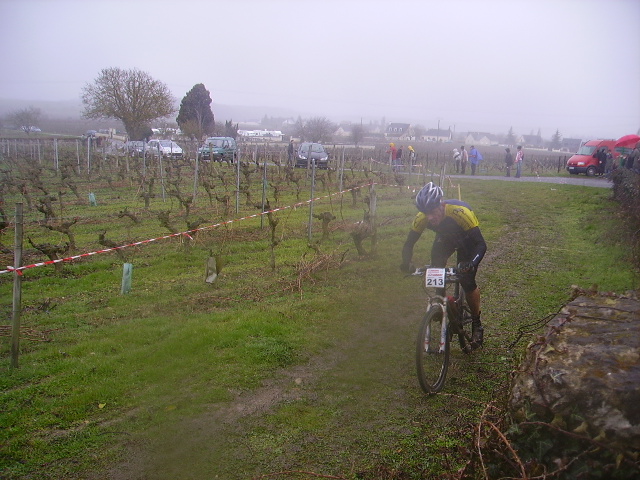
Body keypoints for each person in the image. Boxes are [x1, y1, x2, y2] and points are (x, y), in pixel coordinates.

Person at [400, 182, 487, 347]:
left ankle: (477, 322)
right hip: (445, 239)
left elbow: (481, 244)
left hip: (467, 239)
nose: (430, 218)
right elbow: (409, 244)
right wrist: (406, 263)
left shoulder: (460, 212)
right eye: (426, 213)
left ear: (442, 205)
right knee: (436, 269)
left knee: (467, 280)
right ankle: (441, 308)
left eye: (433, 212)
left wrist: (471, 263)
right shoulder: (422, 218)